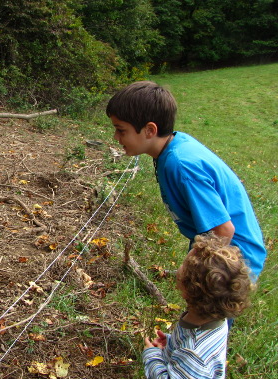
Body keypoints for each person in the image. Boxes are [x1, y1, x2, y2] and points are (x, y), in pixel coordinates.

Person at [105, 81, 266, 281]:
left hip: (233, 258)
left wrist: (190, 271)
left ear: (149, 130)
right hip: (219, 248)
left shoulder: (181, 166)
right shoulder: (172, 147)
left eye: (121, 130)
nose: (116, 137)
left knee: (205, 310)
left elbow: (222, 231)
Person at [142, 234, 254, 379]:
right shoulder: (215, 319)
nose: (179, 267)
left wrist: (152, 356)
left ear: (188, 289)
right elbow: (190, 355)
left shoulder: (195, 352)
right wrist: (172, 343)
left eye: (183, 265)